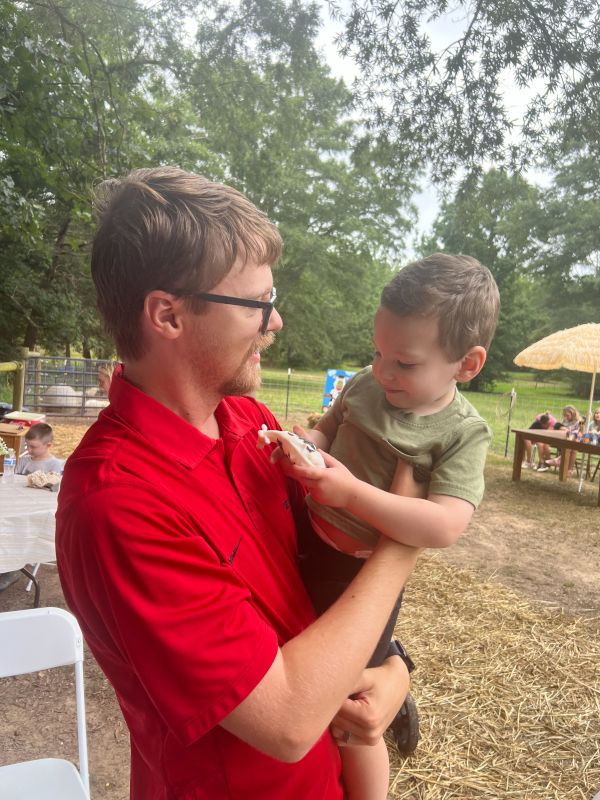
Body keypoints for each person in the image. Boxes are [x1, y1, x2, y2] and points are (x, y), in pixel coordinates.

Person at [55, 167, 420, 800]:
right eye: (258, 304)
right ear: (167, 315)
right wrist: (407, 537)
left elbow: (324, 581)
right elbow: (284, 721)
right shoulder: (119, 504)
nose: (275, 322)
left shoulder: (247, 423)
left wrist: (395, 667)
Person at [284, 253, 499, 800]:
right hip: (304, 533)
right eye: (377, 353)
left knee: (354, 707)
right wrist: (307, 450)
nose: (383, 371)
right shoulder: (365, 384)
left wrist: (354, 494)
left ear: (466, 365)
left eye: (404, 363)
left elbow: (446, 524)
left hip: (357, 573)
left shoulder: (461, 434)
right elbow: (328, 432)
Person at [545, 405, 581, 475]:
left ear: (573, 413)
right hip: (564, 440)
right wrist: (561, 428)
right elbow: (559, 427)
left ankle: (561, 462)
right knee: (571, 448)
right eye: (564, 415)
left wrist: (568, 430)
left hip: (576, 440)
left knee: (572, 449)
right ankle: (569, 469)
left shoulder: (580, 421)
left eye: (567, 415)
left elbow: (580, 431)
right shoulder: (565, 420)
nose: (566, 417)